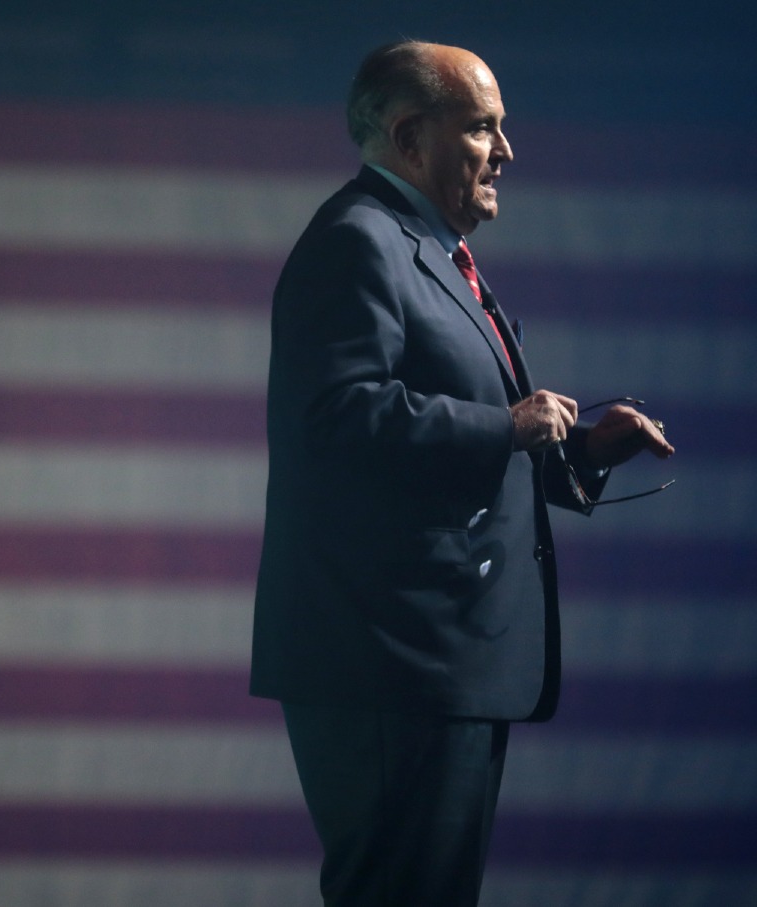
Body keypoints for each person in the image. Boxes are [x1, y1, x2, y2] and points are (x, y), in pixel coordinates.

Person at [249, 40, 675, 906]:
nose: (506, 152)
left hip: (437, 663)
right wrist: (505, 425)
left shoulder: (430, 251)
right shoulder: (357, 243)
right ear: (410, 136)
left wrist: (580, 453)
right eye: (482, 127)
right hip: (389, 664)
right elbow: (334, 423)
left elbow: (450, 457)